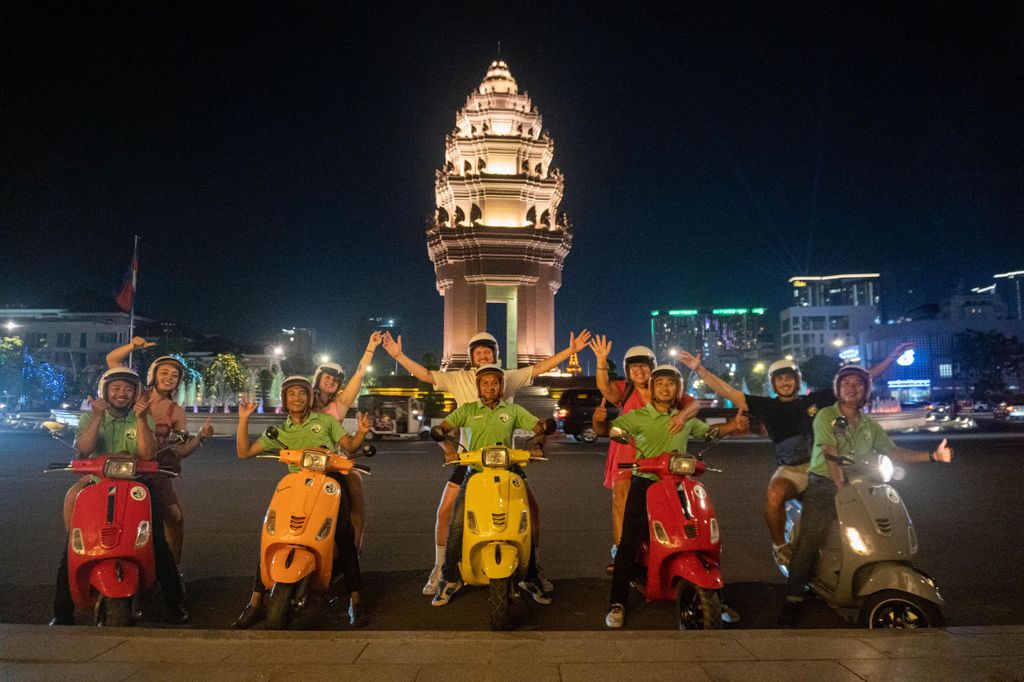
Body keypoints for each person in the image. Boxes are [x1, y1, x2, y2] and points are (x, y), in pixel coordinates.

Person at [382, 329, 591, 599]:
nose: (484, 356)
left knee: (531, 511)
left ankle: (532, 568)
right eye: (478, 352)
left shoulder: (508, 378)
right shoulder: (459, 380)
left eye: (488, 351)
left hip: (505, 460)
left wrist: (569, 352)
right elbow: (426, 376)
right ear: (471, 358)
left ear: (496, 357)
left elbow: (539, 369)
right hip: (469, 459)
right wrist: (399, 356)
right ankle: (442, 569)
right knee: (447, 513)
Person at [678, 342, 914, 567]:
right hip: (791, 468)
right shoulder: (767, 406)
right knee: (774, 494)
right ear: (773, 384)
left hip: (824, 466)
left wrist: (891, 359)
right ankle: (781, 547)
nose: (785, 382)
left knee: (856, 503)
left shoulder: (814, 400)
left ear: (797, 380)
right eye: (779, 378)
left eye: (789, 377)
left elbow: (862, 378)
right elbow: (728, 391)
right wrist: (699, 370)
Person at [778, 365, 953, 626]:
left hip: (862, 483)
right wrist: (839, 483)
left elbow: (892, 452)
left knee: (882, 526)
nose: (852, 388)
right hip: (826, 484)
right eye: (846, 383)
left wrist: (932, 456)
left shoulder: (870, 425)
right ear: (838, 389)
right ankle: (793, 599)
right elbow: (830, 451)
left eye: (858, 384)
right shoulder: (827, 416)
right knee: (810, 539)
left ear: (866, 391)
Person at [589, 337, 747, 573]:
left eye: (644, 366)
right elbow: (604, 387)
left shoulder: (664, 388)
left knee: (672, 501)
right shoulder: (625, 390)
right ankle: (624, 553)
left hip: (660, 453)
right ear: (628, 372)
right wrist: (601, 361)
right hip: (627, 451)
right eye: (634, 367)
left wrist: (681, 417)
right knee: (622, 500)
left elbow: (694, 406)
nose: (640, 371)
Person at [232, 376, 373, 629]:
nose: (297, 398)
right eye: (291, 394)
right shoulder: (280, 431)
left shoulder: (326, 421)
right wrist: (244, 419)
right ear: (284, 400)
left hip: (328, 484)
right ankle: (254, 603)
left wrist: (361, 432)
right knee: (272, 535)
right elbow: (243, 452)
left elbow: (350, 445)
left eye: (302, 393)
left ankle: (356, 601)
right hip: (295, 487)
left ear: (309, 397)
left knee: (343, 535)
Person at [52, 367, 188, 625]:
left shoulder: (142, 416)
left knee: (156, 542)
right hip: (96, 483)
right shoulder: (91, 416)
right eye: (115, 388)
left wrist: (140, 419)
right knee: (73, 544)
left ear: (136, 392)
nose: (121, 393)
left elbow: (147, 454)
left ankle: (175, 603)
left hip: (136, 483)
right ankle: (62, 612)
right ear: (105, 391)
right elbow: (83, 449)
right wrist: (96, 417)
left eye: (127, 389)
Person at [592, 364, 711, 628]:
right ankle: (617, 602)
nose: (665, 388)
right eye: (660, 384)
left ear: (678, 389)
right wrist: (598, 420)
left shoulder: (685, 418)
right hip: (645, 484)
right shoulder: (639, 415)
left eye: (671, 384)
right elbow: (606, 431)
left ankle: (711, 594)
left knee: (695, 532)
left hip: (679, 485)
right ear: (653, 389)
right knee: (629, 541)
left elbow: (710, 432)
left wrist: (732, 426)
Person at [428, 364, 550, 607]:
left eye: (495, 383)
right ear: (478, 387)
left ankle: (531, 576)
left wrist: (538, 444)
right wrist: (449, 448)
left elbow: (539, 428)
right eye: (485, 383)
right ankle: (449, 578)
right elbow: (442, 429)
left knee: (525, 520)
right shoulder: (467, 410)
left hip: (509, 470)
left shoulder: (513, 410)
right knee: (457, 524)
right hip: (476, 474)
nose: (490, 387)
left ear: (501, 387)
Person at [99, 337, 214, 566]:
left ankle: (173, 567)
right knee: (82, 500)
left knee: (174, 516)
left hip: (155, 471)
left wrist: (201, 437)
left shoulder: (176, 411)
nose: (169, 378)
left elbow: (180, 451)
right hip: (119, 466)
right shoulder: (133, 392)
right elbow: (112, 359)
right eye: (164, 372)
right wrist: (133, 346)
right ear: (153, 374)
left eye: (174, 375)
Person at [311, 331, 382, 551]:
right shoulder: (304, 401)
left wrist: (370, 347)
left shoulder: (339, 405)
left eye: (335, 380)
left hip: (333, 459)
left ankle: (355, 543)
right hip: (305, 460)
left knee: (354, 482)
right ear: (317, 378)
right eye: (327, 377)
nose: (331, 382)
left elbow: (360, 374)